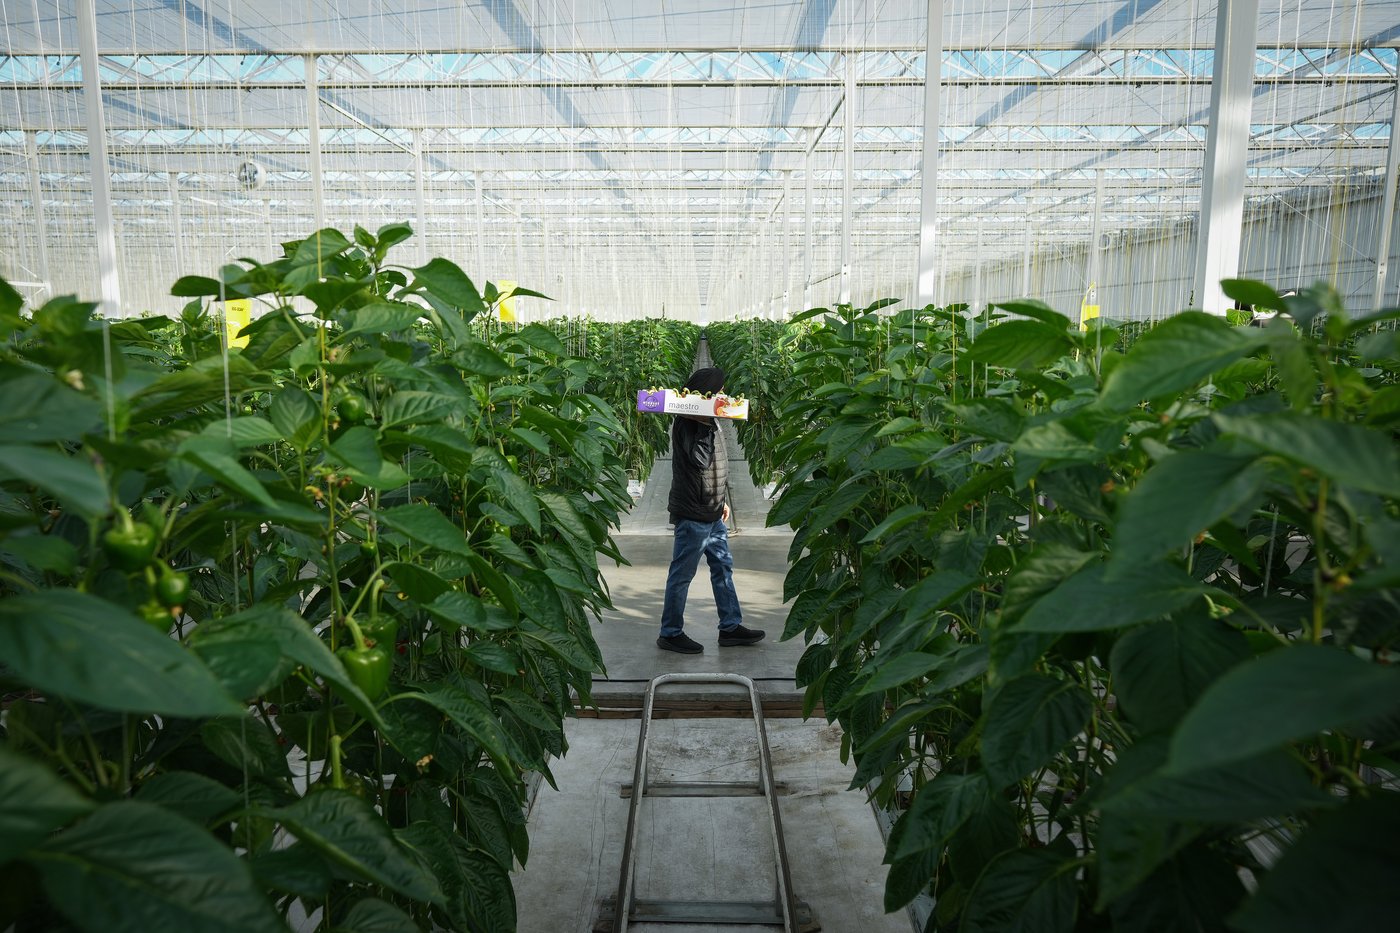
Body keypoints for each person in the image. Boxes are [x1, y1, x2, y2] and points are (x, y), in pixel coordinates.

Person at [656, 366, 765, 654]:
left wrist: (722, 501)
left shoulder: (707, 420)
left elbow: (716, 468)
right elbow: (702, 461)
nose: (724, 397)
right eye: (719, 393)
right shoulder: (689, 423)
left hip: (712, 512)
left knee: (723, 568)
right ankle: (670, 633)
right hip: (693, 515)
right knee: (682, 574)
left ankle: (730, 627)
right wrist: (704, 419)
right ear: (706, 394)